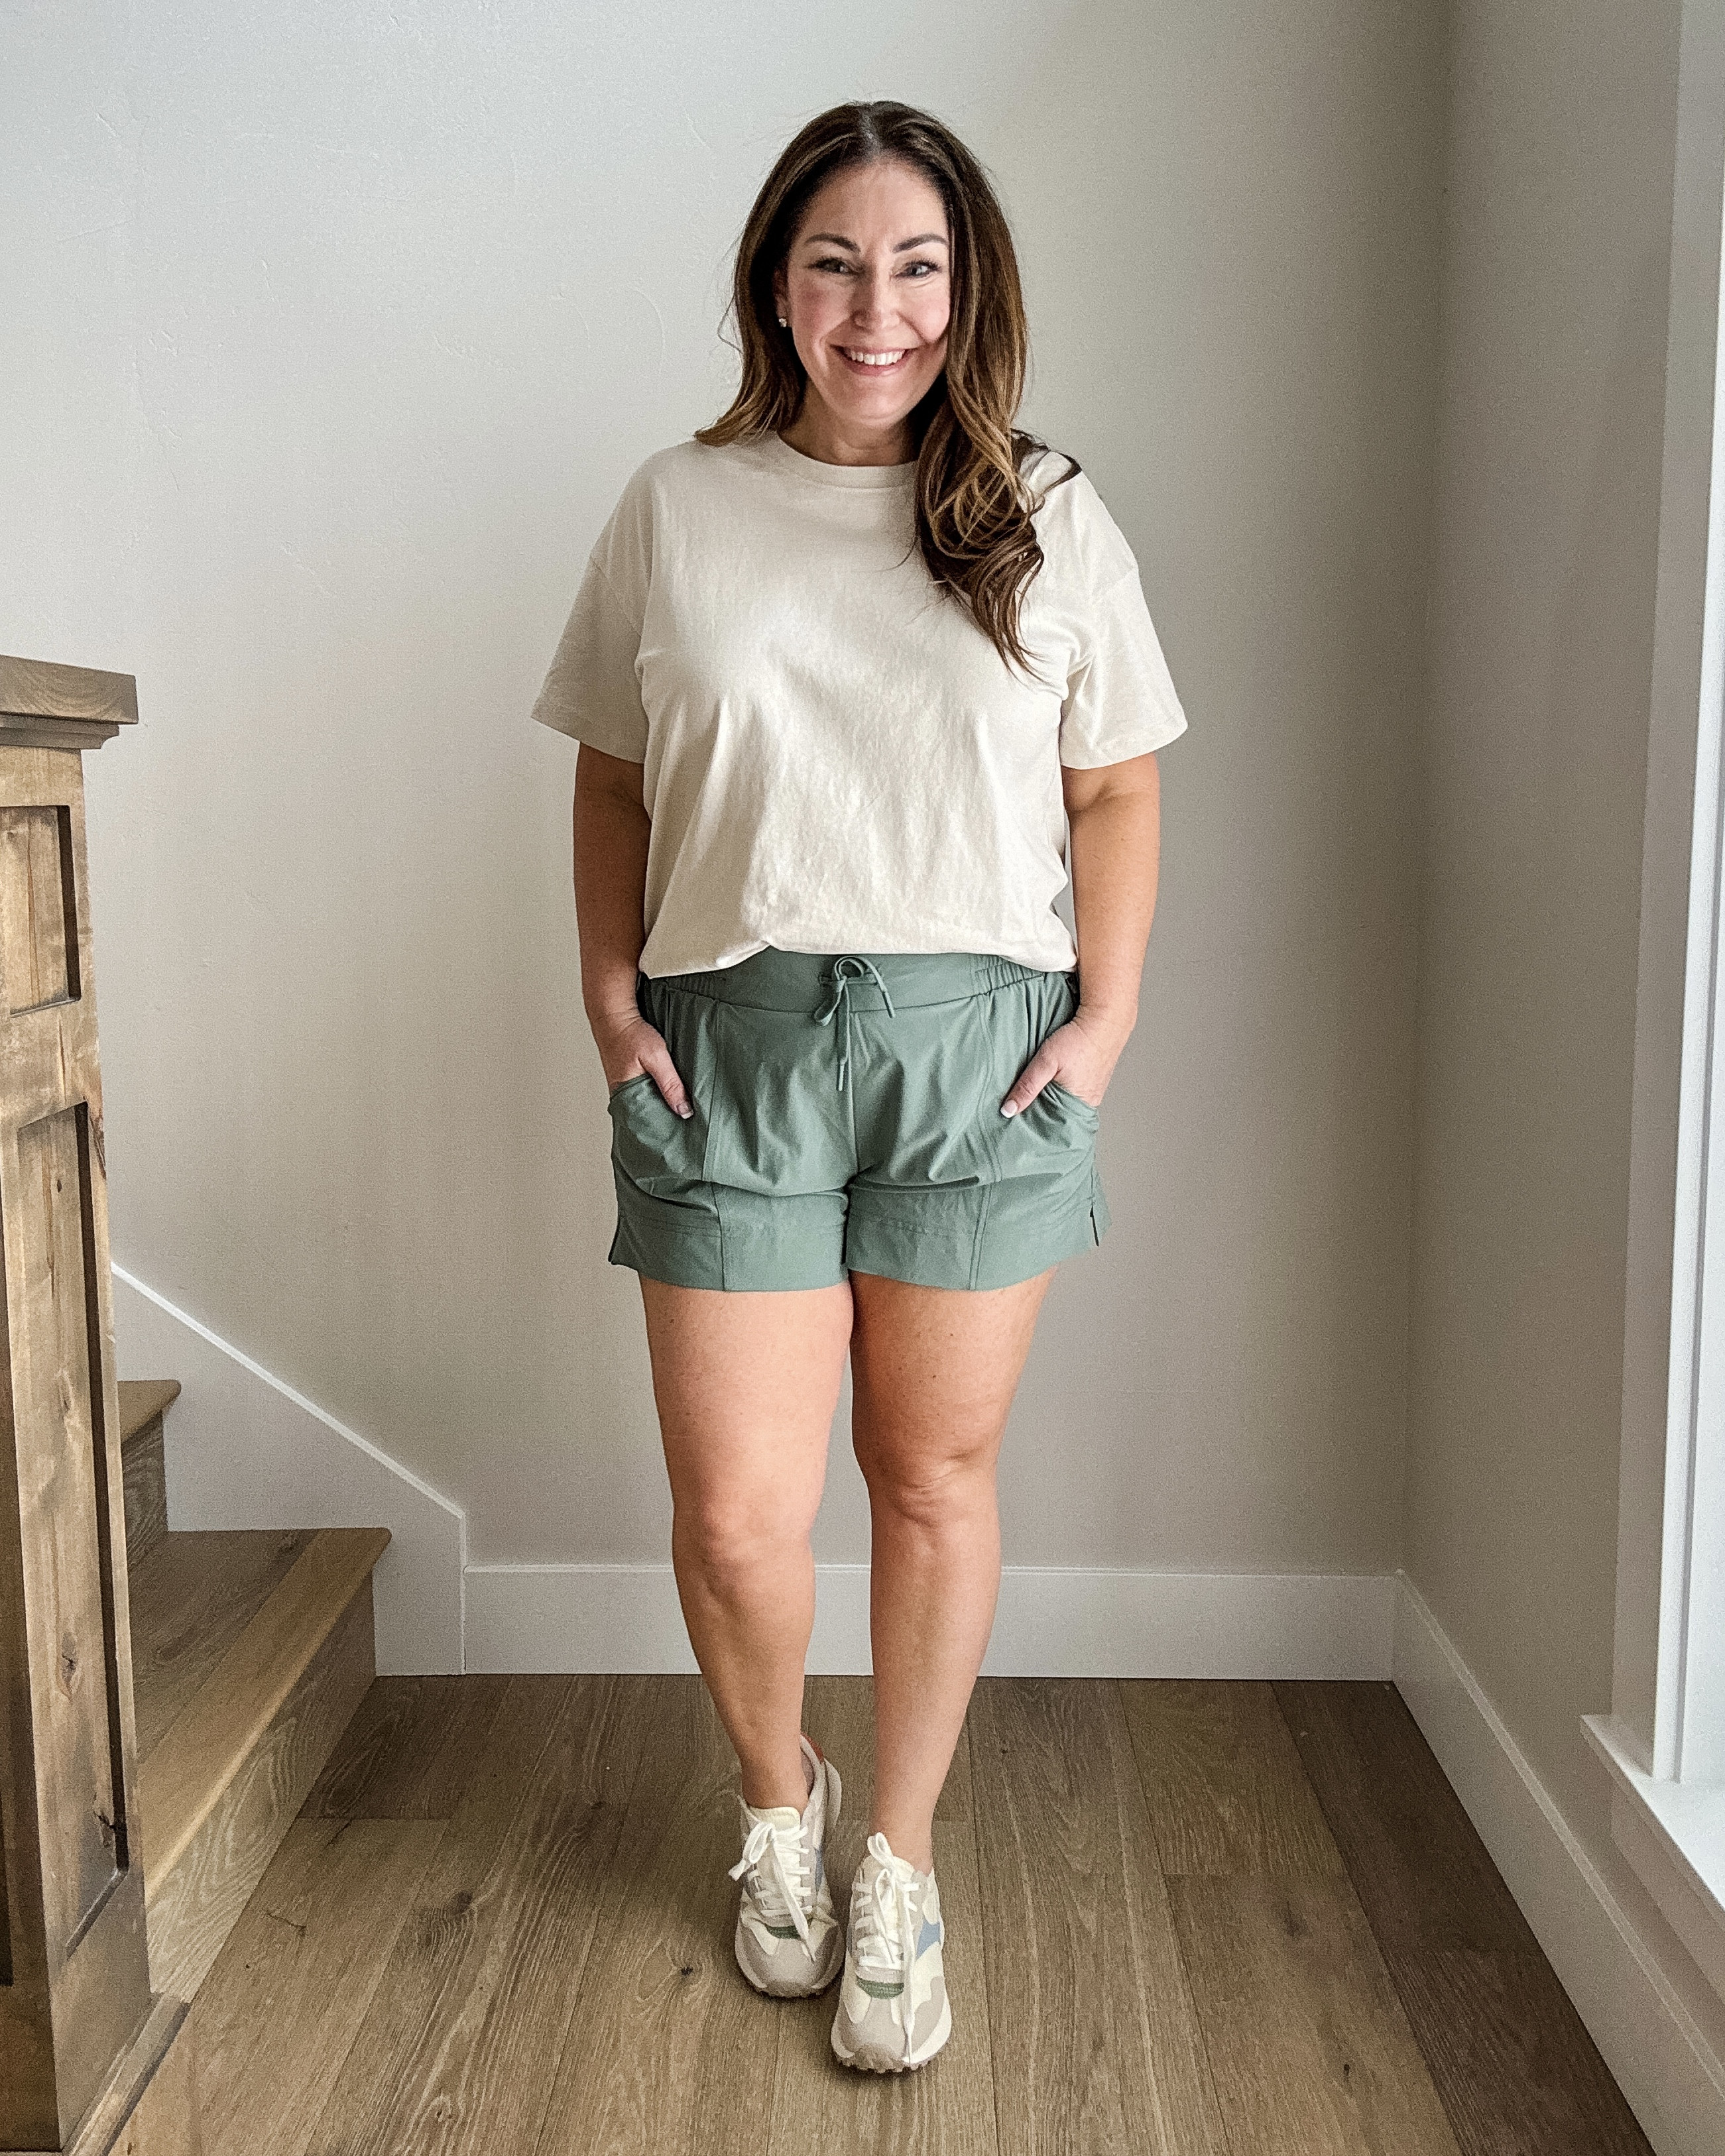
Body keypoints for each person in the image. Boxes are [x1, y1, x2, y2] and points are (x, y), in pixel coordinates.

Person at [531, 97, 1187, 2076]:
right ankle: (777, 1813)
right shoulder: (679, 501)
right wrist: (603, 989)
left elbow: (1118, 781)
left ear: (965, 288)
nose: (874, 304)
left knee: (929, 1479)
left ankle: (896, 1859)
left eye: (915, 264)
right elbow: (612, 767)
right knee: (737, 1516)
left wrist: (1104, 1024)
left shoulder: (1048, 508)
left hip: (977, 1050)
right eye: (832, 260)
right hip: (729, 1042)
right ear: (774, 285)